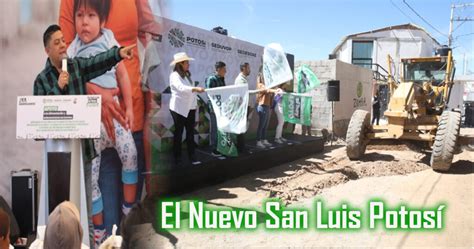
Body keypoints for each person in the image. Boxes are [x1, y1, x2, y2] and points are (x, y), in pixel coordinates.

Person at [60, 1, 158, 236]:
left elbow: (151, 35)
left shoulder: (111, 35)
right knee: (110, 228)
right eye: (81, 15)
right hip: (94, 124)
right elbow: (61, 61)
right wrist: (95, 92)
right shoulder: (72, 12)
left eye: (91, 15)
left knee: (131, 224)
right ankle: (99, 232)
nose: (85, 20)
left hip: (129, 120)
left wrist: (149, 108)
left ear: (101, 21)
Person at [33, 24, 135, 248]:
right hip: (57, 159)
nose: (63, 45)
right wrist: (56, 89)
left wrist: (117, 53)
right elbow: (37, 118)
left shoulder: (77, 67)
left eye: (63, 40)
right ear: (47, 49)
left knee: (86, 208)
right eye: (57, 42)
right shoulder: (41, 81)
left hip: (84, 154)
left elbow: (98, 62)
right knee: (58, 211)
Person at [169, 52, 205, 165]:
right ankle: (177, 157)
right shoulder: (174, 75)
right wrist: (195, 89)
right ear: (180, 64)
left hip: (190, 108)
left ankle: (192, 156)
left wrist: (195, 103)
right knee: (179, 133)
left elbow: (190, 91)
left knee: (190, 132)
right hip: (178, 108)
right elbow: (181, 88)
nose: (188, 64)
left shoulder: (188, 75)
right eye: (186, 62)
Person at [205, 61, 227, 156]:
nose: (225, 71)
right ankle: (214, 149)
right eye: (224, 69)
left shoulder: (222, 79)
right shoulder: (211, 79)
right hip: (214, 108)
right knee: (214, 128)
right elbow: (210, 94)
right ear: (218, 69)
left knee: (220, 128)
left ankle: (220, 147)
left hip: (221, 108)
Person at [234, 62, 251, 152]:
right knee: (240, 127)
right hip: (241, 107)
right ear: (244, 68)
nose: (249, 70)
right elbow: (242, 94)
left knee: (242, 127)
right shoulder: (240, 79)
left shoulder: (243, 79)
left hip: (244, 106)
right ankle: (240, 147)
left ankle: (241, 146)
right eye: (248, 68)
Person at [256, 71, 274, 149]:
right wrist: (275, 90)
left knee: (265, 125)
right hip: (262, 106)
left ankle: (264, 139)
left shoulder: (267, 85)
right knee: (261, 125)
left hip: (266, 106)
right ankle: (258, 141)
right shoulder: (260, 85)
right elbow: (267, 90)